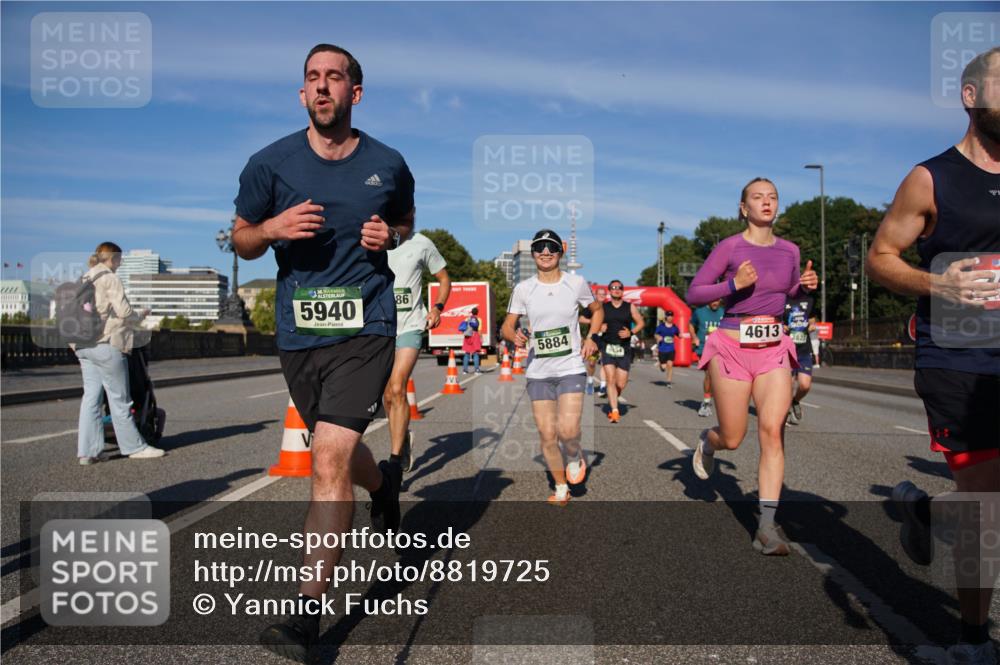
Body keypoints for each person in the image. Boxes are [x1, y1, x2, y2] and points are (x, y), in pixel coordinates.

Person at [231, 43, 414, 662]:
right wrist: (272, 230)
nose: (322, 87)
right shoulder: (270, 163)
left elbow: (406, 222)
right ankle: (383, 486)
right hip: (298, 332)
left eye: (334, 77)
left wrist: (389, 234)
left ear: (354, 93)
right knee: (340, 451)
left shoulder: (388, 163)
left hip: (367, 325)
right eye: (312, 78)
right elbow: (241, 237)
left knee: (327, 458)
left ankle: (307, 616)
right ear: (302, 91)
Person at [867, 47, 1000, 665]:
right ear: (971, 96)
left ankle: (924, 510)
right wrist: (939, 284)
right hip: (959, 354)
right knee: (984, 500)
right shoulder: (931, 177)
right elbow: (882, 257)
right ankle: (973, 640)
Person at [686, 177, 818, 555]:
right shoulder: (730, 247)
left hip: (774, 347)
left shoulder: (790, 251)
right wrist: (733, 285)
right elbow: (695, 293)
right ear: (743, 208)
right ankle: (708, 443)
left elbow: (787, 293)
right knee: (732, 437)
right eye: (757, 197)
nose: (766, 202)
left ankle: (766, 526)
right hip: (731, 347)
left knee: (772, 431)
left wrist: (804, 287)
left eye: (772, 197)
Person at [502, 229, 603, 505]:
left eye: (551, 247)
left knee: (568, 430)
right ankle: (560, 486)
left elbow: (597, 310)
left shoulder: (576, 283)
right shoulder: (524, 288)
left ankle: (573, 454)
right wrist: (515, 335)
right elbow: (507, 326)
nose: (545, 252)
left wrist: (592, 337)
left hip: (570, 366)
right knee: (547, 434)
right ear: (533, 253)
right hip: (538, 372)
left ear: (560, 251)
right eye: (539, 247)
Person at [74, 242, 164, 465]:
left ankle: (88, 452)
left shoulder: (84, 278)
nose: (120, 263)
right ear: (113, 258)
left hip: (83, 346)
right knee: (119, 399)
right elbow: (124, 312)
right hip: (106, 343)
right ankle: (134, 447)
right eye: (119, 259)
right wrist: (140, 314)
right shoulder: (110, 277)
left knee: (91, 399)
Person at [385, 230, 450, 472]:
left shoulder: (422, 243)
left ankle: (394, 460)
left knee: (397, 387)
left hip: (411, 325)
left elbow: (444, 279)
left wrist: (437, 308)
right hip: (380, 327)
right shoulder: (372, 238)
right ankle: (402, 442)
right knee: (388, 397)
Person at [601, 279, 644, 423]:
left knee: (621, 383)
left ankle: (612, 395)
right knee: (610, 380)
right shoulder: (604, 307)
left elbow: (641, 323)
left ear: (622, 290)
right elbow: (595, 321)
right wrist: (600, 327)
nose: (616, 289)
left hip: (624, 348)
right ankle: (614, 411)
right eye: (613, 287)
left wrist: (631, 333)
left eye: (619, 287)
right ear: (610, 290)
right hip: (608, 346)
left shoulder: (629, 307)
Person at [689, 298, 725, 417]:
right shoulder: (699, 312)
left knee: (718, 377)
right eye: (713, 300)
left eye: (718, 300)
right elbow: (691, 325)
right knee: (709, 373)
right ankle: (706, 403)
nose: (715, 303)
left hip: (721, 347)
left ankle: (713, 399)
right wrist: (694, 337)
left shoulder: (724, 312)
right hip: (705, 347)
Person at [784, 294, 816, 424]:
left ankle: (795, 401)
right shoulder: (782, 298)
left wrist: (809, 326)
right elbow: (775, 319)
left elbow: (813, 321)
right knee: (788, 385)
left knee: (805, 385)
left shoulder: (809, 299)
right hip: (787, 350)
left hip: (804, 350)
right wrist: (782, 326)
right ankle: (784, 413)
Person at [654, 311, 680, 387]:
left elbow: (678, 334)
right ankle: (661, 365)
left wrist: (681, 335)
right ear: (666, 317)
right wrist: (658, 337)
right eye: (668, 316)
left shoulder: (675, 327)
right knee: (663, 367)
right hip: (662, 349)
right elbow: (655, 334)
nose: (670, 317)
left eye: (671, 316)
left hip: (671, 349)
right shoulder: (661, 326)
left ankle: (669, 382)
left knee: (670, 365)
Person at [460, 306, 483, 374]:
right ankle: (476, 370)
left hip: (467, 336)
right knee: (475, 353)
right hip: (475, 336)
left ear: (471, 312)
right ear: (477, 313)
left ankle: (465, 370)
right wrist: (481, 338)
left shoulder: (467, 319)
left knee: (467, 353)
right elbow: (479, 330)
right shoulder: (479, 319)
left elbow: (463, 327)